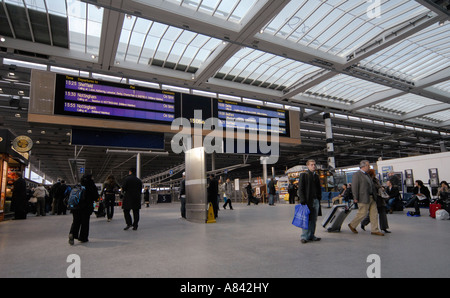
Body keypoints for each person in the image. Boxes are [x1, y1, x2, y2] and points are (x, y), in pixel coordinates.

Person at [348, 160, 384, 236]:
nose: (369, 167)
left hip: (372, 197)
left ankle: (375, 230)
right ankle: (352, 224)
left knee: (374, 214)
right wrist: (355, 197)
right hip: (363, 197)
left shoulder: (367, 175)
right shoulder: (357, 174)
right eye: (368, 165)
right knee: (362, 213)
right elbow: (354, 186)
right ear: (363, 166)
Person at [69, 173, 98, 244]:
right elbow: (96, 197)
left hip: (75, 206)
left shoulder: (78, 185)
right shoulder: (91, 186)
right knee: (85, 222)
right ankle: (83, 237)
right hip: (86, 207)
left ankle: (72, 233)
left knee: (76, 221)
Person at [298, 159, 322, 243]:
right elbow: (300, 189)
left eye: (314, 164)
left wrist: (319, 197)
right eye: (311, 165)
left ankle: (311, 235)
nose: (313, 166)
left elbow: (318, 188)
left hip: (315, 201)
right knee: (306, 219)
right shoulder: (304, 175)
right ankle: (304, 237)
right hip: (307, 201)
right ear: (307, 166)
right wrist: (302, 200)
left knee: (313, 219)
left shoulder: (316, 176)